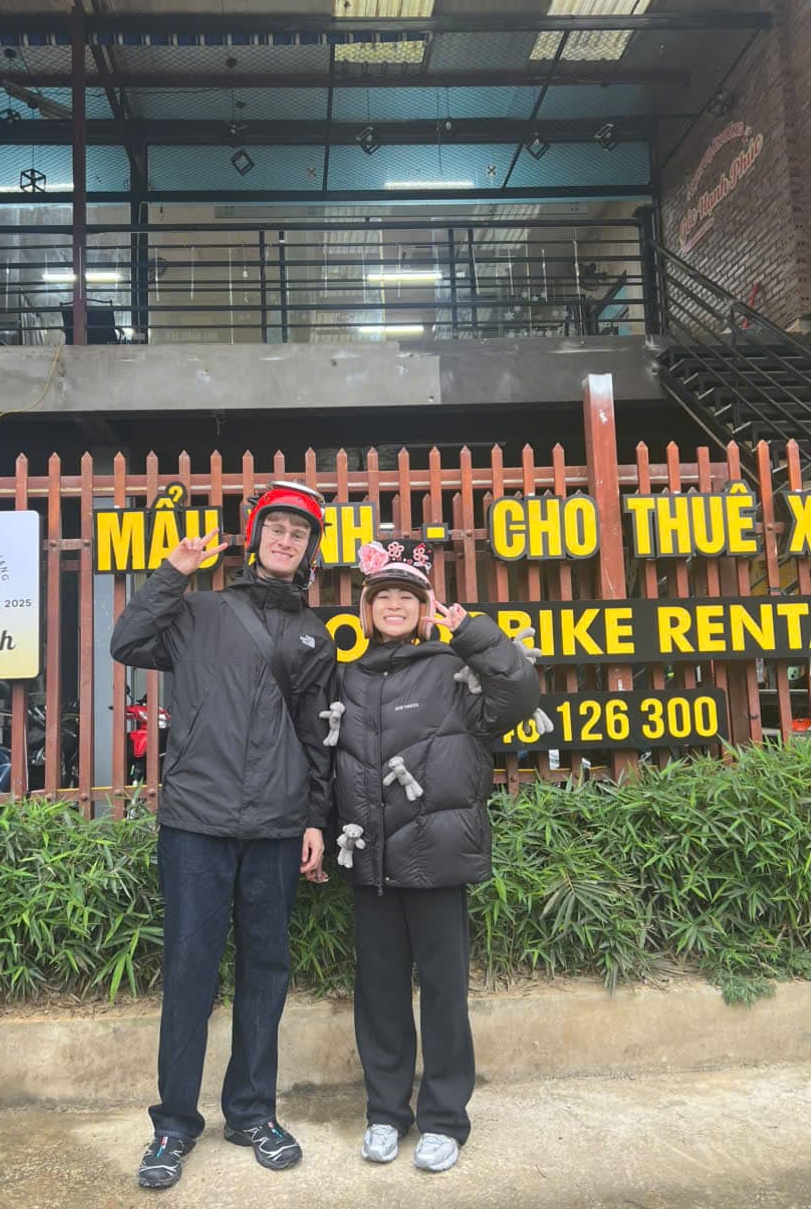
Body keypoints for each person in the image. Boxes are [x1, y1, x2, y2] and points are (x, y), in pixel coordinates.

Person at [110, 481, 335, 1191]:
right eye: (278, 527)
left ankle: (251, 1111)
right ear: (255, 534)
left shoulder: (312, 634)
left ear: (308, 552)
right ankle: (174, 1123)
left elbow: (319, 739)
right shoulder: (198, 610)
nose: (287, 539)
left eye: (300, 533)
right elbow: (127, 641)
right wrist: (173, 573)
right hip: (195, 824)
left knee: (265, 972)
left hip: (274, 825)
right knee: (189, 974)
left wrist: (314, 821)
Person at [325, 539, 540, 1173]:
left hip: (439, 858)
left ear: (424, 608)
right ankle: (386, 1113)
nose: (393, 606)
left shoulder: (456, 666)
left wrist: (472, 631)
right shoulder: (351, 676)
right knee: (380, 993)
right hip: (372, 867)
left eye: (406, 597)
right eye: (382, 596)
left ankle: (445, 1119)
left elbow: (519, 695)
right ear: (367, 610)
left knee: (444, 992)